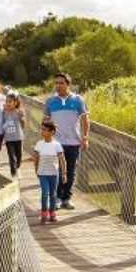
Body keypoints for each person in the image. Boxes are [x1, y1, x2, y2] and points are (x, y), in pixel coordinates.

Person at [43, 72, 89, 209]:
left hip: (74, 142)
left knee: (70, 171)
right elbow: (45, 120)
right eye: (56, 83)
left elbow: (85, 120)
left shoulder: (78, 100)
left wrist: (85, 137)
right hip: (55, 143)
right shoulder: (50, 101)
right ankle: (56, 198)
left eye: (61, 83)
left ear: (68, 84)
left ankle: (66, 198)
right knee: (56, 171)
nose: (58, 85)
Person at [32, 120, 66, 224]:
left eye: (45, 130)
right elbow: (36, 158)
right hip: (42, 173)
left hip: (54, 174)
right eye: (41, 129)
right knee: (45, 193)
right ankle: (44, 213)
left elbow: (62, 160)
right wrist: (36, 169)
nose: (42, 132)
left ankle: (52, 213)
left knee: (53, 194)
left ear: (52, 132)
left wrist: (64, 173)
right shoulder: (39, 144)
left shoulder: (57, 145)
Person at [2, 90, 25, 177]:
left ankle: (18, 168)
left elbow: (23, 124)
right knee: (12, 156)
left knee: (19, 156)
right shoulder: (4, 112)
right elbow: (2, 124)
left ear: (15, 103)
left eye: (10, 102)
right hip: (9, 139)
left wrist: (22, 118)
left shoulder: (18, 112)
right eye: (6, 101)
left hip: (18, 137)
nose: (8, 103)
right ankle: (13, 173)